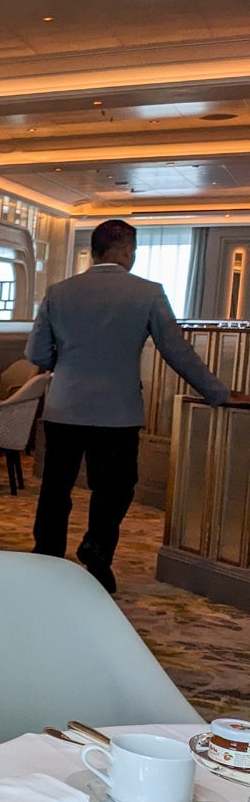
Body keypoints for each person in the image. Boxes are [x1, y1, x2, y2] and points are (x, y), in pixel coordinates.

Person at [27, 218, 245, 592]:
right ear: (128, 251)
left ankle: (46, 556)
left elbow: (36, 353)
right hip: (118, 411)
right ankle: (96, 551)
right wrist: (217, 392)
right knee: (116, 487)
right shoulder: (148, 293)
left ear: (93, 251)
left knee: (55, 487)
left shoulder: (58, 291)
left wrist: (61, 362)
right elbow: (177, 351)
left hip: (64, 406)